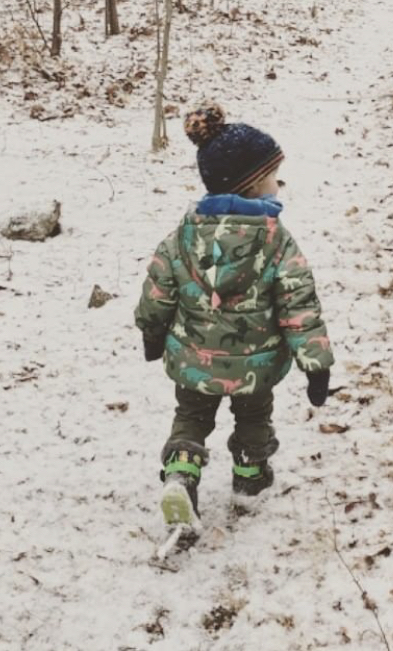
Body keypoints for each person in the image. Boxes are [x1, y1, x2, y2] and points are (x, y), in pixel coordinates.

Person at [135, 104, 334, 532]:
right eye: (270, 177)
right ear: (249, 186)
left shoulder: (182, 237)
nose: (278, 184)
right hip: (255, 368)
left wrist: (152, 335)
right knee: (253, 419)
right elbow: (300, 305)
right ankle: (249, 479)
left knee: (190, 417)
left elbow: (156, 292)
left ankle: (181, 473)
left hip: (193, 363)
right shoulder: (277, 243)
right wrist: (316, 364)